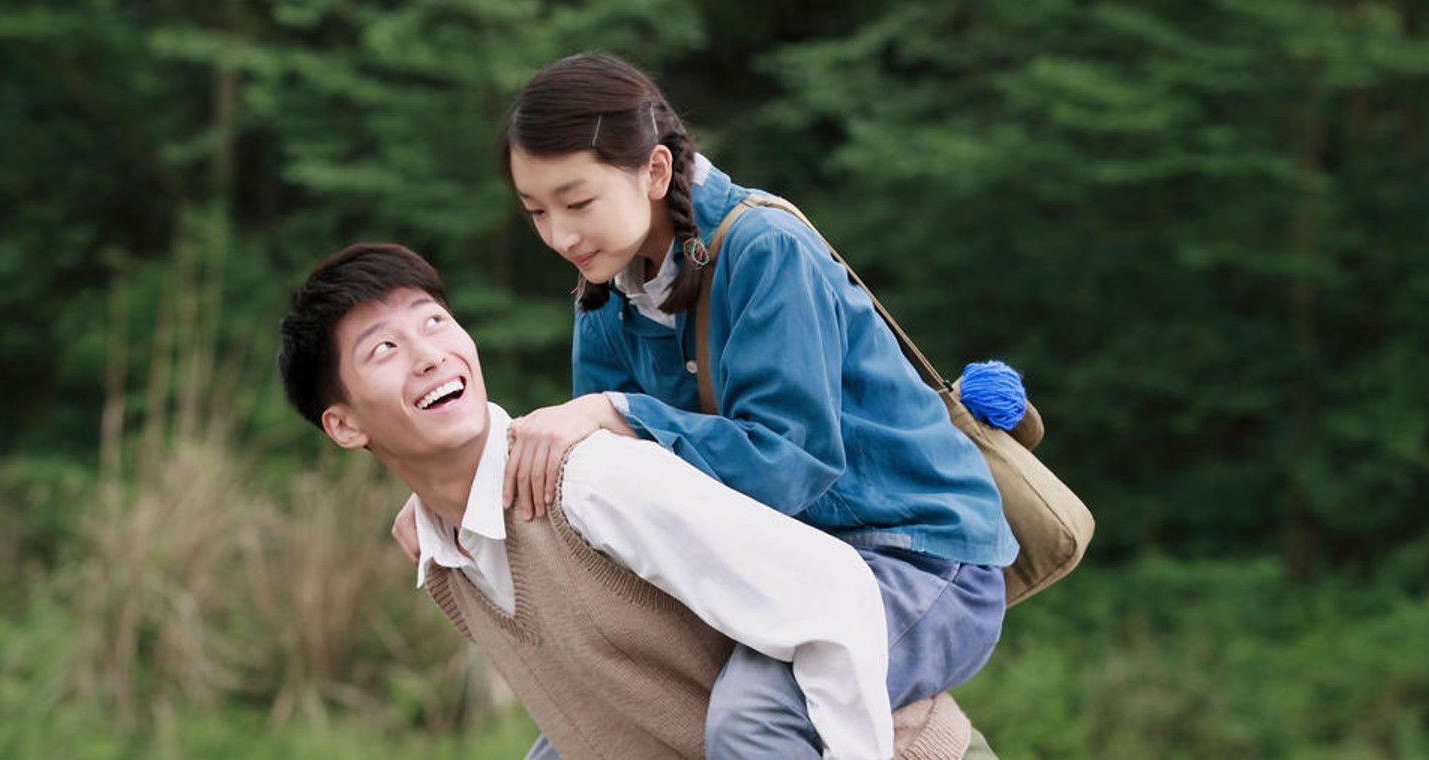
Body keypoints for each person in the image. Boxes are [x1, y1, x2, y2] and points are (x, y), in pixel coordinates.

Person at [471, 52, 1016, 758]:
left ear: (656, 171)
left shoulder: (767, 251)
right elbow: (619, 498)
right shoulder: (603, 290)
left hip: (918, 560)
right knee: (574, 739)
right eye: (536, 212)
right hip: (770, 570)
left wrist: (619, 414)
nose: (561, 236)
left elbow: (789, 463)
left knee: (754, 719)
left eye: (578, 203)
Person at [277, 244, 995, 760]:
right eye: (384, 349)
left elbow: (836, 589)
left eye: (433, 321)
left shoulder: (591, 481)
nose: (429, 353)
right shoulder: (445, 558)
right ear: (343, 425)